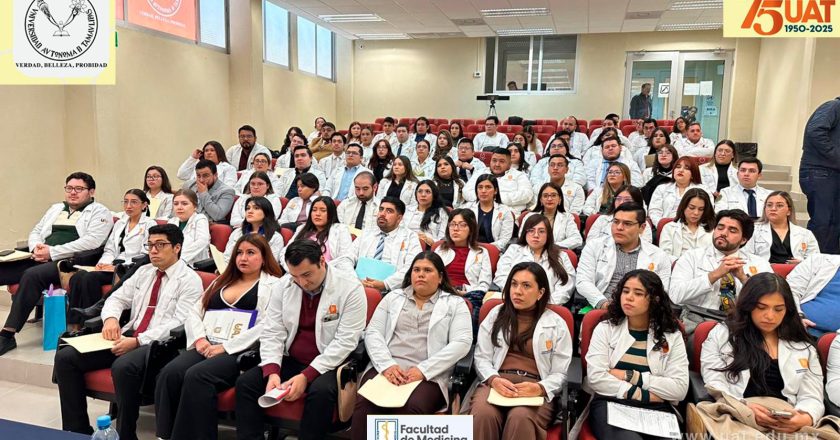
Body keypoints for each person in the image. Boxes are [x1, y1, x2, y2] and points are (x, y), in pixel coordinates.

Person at [54, 224, 203, 438]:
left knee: (124, 367)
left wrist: (138, 341)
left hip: (158, 345)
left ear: (177, 247)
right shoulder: (144, 272)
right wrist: (111, 319)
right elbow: (117, 298)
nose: (153, 250)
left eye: (160, 245)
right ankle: (76, 431)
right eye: (150, 245)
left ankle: (125, 434)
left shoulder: (190, 280)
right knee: (66, 358)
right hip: (127, 335)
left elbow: (179, 322)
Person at [154, 234, 283, 440]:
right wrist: (200, 339)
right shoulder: (221, 281)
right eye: (239, 253)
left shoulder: (275, 286)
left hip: (239, 350)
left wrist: (226, 347)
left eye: (251, 253)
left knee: (197, 376)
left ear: (264, 257)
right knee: (170, 373)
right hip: (207, 343)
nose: (243, 258)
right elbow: (194, 312)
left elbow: (268, 325)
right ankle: (164, 436)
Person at [235, 240, 367, 440]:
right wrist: (272, 372)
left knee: (321, 393)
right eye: (295, 276)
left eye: (307, 275)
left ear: (322, 262)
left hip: (328, 362)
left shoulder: (350, 289)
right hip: (292, 357)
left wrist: (307, 376)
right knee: (247, 383)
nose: (302, 283)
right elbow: (273, 331)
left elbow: (345, 341)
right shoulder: (284, 285)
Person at [350, 251, 473, 440]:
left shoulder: (455, 304)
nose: (420, 274)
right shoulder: (393, 297)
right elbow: (373, 333)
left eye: (427, 270)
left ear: (440, 277)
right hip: (388, 367)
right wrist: (387, 366)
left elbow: (462, 342)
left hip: (428, 374)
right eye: (416, 270)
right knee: (365, 406)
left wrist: (423, 370)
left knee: (409, 409)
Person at [696, 273, 824, 436]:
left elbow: (813, 396)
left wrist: (805, 417)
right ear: (748, 306)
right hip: (737, 416)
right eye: (761, 307)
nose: (770, 316)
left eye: (778, 309)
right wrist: (743, 407)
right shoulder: (722, 335)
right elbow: (715, 382)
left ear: (788, 310)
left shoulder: (803, 346)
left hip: (787, 422)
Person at [0, 172, 113, 356]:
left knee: (31, 275)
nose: (73, 193)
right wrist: (37, 247)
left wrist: (52, 252)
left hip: (67, 262)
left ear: (91, 192)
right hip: (40, 255)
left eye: (79, 189)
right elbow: (36, 230)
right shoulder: (56, 208)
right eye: (69, 188)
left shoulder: (100, 212)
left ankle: (7, 335)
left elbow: (92, 241)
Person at [574, 270, 688, 440]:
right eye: (625, 291)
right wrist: (643, 394)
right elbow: (596, 378)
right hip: (611, 403)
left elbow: (679, 389)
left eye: (638, 293)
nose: (628, 297)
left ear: (655, 299)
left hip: (657, 410)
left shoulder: (672, 336)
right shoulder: (606, 328)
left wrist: (631, 376)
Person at [469, 262, 574, 440]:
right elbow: (482, 357)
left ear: (541, 293)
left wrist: (540, 388)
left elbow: (561, 371)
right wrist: (493, 380)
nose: (517, 291)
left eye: (526, 286)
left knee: (520, 418)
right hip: (497, 382)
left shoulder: (557, 323)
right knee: (483, 414)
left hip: (535, 387)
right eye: (514, 284)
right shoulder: (496, 314)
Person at [670, 210, 772, 331]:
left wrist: (744, 279)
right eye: (720, 227)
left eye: (732, 230)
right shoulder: (692, 257)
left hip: (743, 322)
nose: (723, 233)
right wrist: (714, 275)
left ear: (744, 239)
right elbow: (676, 296)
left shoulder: (759, 263)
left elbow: (770, 299)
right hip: (699, 320)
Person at [66, 189, 157, 317]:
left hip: (128, 268)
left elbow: (144, 254)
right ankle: (75, 322)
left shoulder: (149, 224)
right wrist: (103, 264)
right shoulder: (120, 223)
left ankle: (92, 320)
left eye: (134, 202)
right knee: (77, 277)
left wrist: (116, 267)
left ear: (144, 205)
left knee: (89, 278)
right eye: (126, 202)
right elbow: (110, 249)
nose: (129, 206)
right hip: (111, 265)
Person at [576, 203, 672, 309]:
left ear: (642, 227)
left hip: (641, 312)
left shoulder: (659, 256)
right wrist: (603, 304)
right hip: (602, 307)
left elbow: (661, 291)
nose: (619, 227)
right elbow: (583, 281)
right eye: (616, 222)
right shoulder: (594, 246)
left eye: (627, 224)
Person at [333, 197, 423, 292]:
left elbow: (412, 268)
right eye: (381, 209)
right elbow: (346, 258)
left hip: (392, 291)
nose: (382, 214)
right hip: (357, 286)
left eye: (389, 211)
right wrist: (355, 280)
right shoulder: (367, 233)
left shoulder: (410, 238)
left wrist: (385, 284)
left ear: (399, 218)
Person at [496, 215, 575, 305]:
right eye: (531, 231)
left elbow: (566, 286)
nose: (536, 235)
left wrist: (545, 304)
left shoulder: (561, 256)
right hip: (515, 303)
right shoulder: (513, 250)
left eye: (541, 231)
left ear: (548, 235)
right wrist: (517, 297)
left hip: (548, 307)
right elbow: (501, 277)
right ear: (525, 233)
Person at [434, 209, 493, 328]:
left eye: (462, 225)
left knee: (468, 306)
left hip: (468, 295)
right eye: (453, 224)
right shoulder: (440, 250)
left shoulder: (481, 252)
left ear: (471, 229)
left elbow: (484, 284)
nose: (456, 229)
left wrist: (463, 291)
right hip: (441, 291)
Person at [801, 97, 840, 255]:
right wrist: (837, 156)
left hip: (832, 173)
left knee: (835, 223)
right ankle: (814, 262)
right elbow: (815, 131)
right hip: (820, 172)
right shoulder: (833, 106)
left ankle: (830, 265)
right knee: (823, 222)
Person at [743, 191, 819, 264]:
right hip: (763, 274)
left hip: (796, 273)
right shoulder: (753, 230)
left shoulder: (805, 234)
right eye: (769, 205)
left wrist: (801, 263)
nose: (773, 209)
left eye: (779, 205)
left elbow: (815, 261)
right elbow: (745, 257)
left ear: (789, 211)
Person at [282, 196, 353, 267]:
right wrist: (292, 269)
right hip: (297, 273)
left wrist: (315, 270)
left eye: (323, 210)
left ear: (331, 213)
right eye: (314, 210)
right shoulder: (302, 229)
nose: (317, 214)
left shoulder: (341, 230)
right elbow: (284, 253)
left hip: (328, 274)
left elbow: (345, 258)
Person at [463, 148, 533, 214]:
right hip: (476, 211)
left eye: (501, 161)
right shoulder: (480, 172)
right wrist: (485, 199)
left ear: (510, 164)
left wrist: (495, 197)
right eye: (494, 160)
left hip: (508, 213)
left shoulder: (519, 175)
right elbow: (466, 191)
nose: (497, 164)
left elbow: (527, 195)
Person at [787, 253, 840, 337]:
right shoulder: (817, 261)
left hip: (836, 339)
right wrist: (797, 317)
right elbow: (790, 290)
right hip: (801, 327)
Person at [648, 156, 711, 225]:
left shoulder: (703, 190)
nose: (681, 170)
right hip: (666, 227)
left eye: (686, 168)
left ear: (693, 174)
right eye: (678, 167)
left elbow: (708, 213)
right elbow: (654, 211)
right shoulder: (661, 188)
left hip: (693, 227)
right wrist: (662, 226)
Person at [658, 188, 716, 263]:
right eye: (691, 208)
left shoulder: (713, 229)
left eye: (701, 209)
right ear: (683, 206)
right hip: (677, 269)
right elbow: (665, 256)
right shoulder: (669, 228)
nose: (696, 213)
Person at [223, 196, 285, 264]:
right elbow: (227, 257)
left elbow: (271, 264)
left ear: (266, 212)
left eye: (256, 208)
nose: (250, 211)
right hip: (233, 271)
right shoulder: (237, 232)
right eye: (248, 208)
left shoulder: (275, 237)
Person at [586, 185, 654, 244]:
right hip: (601, 256)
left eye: (627, 200)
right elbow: (590, 243)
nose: (621, 202)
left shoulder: (643, 223)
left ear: (637, 202)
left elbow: (645, 246)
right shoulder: (602, 219)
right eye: (618, 199)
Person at [523, 182, 583, 249]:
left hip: (556, 253)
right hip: (533, 253)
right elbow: (522, 238)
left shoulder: (567, 217)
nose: (549, 199)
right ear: (541, 200)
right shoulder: (529, 217)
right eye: (545, 196)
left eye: (553, 195)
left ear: (560, 199)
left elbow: (576, 239)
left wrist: (552, 246)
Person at [463, 175, 515, 251]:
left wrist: (486, 248)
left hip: (493, 250)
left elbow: (505, 239)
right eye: (480, 187)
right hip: (469, 249)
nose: (483, 191)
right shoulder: (466, 208)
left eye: (488, 187)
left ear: (495, 191)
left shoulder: (505, 211)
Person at [167, 189, 211, 267]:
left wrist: (180, 259)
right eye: (176, 204)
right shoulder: (171, 222)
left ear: (195, 206)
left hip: (194, 264)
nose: (179, 207)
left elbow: (202, 241)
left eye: (184, 204)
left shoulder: (200, 218)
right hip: (173, 263)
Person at [182, 160, 235, 224]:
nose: (201, 180)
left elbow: (218, 215)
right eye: (198, 176)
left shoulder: (227, 191)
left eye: (205, 176)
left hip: (207, 226)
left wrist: (203, 194)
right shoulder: (189, 185)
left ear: (215, 175)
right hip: (185, 221)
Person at [403, 180, 448, 247]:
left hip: (428, 248)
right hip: (405, 244)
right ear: (416, 194)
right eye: (420, 191)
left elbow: (443, 238)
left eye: (428, 192)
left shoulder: (442, 213)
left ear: (434, 195)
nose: (423, 195)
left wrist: (429, 240)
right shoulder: (407, 209)